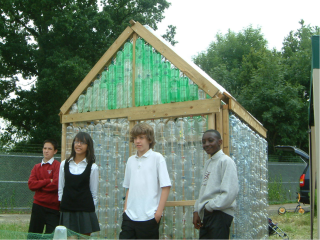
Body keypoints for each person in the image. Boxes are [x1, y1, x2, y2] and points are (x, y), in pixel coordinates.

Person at [119, 122, 171, 240]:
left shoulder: (157, 158)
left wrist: (158, 213)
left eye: (141, 137)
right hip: (129, 216)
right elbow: (128, 187)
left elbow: (166, 187)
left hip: (149, 217)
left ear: (150, 139)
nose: (138, 141)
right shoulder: (130, 160)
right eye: (136, 138)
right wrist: (125, 210)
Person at [193, 129, 239, 240]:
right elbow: (204, 190)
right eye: (204, 142)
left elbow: (230, 191)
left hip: (220, 214)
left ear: (220, 142)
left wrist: (210, 206)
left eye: (210, 140)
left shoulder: (226, 161)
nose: (206, 144)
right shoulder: (209, 162)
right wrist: (197, 210)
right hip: (207, 214)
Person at [58, 132, 100, 236]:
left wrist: (89, 209)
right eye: (76, 141)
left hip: (85, 210)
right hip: (68, 209)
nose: (78, 145)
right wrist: (62, 203)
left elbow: (94, 192)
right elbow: (61, 188)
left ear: (88, 146)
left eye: (82, 142)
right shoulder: (64, 164)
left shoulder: (93, 167)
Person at [28, 139, 60, 234]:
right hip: (38, 206)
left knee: (51, 236)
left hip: (53, 208)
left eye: (49, 149)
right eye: (45, 148)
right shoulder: (36, 167)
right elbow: (31, 185)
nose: (46, 151)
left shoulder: (58, 166)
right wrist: (47, 181)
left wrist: (39, 186)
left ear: (55, 151)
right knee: (34, 235)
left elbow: (55, 185)